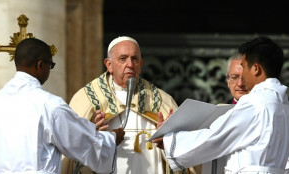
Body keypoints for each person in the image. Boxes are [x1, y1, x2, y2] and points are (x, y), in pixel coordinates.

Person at [0, 38, 125, 174]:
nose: (49, 70)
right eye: (51, 65)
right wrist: (111, 139)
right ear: (40, 65)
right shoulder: (49, 104)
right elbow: (79, 142)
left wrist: (89, 127)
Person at [152, 36, 289, 173]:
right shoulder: (283, 105)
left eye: (244, 67)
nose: (242, 80)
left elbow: (215, 138)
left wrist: (170, 141)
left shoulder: (255, 103)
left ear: (255, 69)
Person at [62, 36, 197, 174]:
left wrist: (169, 137)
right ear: (109, 64)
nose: (130, 65)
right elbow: (70, 147)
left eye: (134, 59)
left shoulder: (161, 100)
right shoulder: (87, 99)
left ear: (141, 64)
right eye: (123, 58)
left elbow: (185, 147)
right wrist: (92, 133)